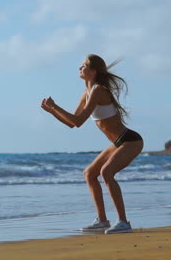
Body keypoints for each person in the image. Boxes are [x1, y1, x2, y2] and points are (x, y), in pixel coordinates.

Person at [41, 54, 143, 234]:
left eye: (84, 66)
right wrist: (52, 111)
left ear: (93, 71)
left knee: (106, 172)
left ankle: (124, 222)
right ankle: (102, 220)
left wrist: (55, 107)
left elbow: (79, 120)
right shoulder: (86, 93)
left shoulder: (97, 91)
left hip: (130, 140)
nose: (80, 68)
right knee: (89, 174)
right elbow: (73, 123)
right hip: (118, 143)